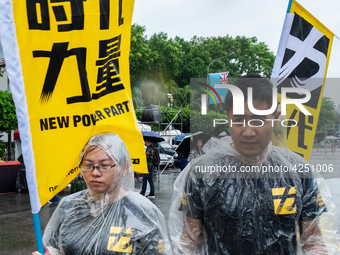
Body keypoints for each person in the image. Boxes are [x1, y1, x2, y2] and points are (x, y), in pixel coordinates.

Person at [169, 74, 338, 254]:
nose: (248, 131)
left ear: (275, 118)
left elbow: (314, 242)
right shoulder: (202, 173)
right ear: (228, 117)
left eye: (258, 119)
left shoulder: (298, 171)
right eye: (240, 119)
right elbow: (189, 243)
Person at [32, 133, 171, 255]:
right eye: (88, 165)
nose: (95, 172)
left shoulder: (143, 213)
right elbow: (56, 248)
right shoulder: (68, 208)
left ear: (124, 166)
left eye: (104, 165)